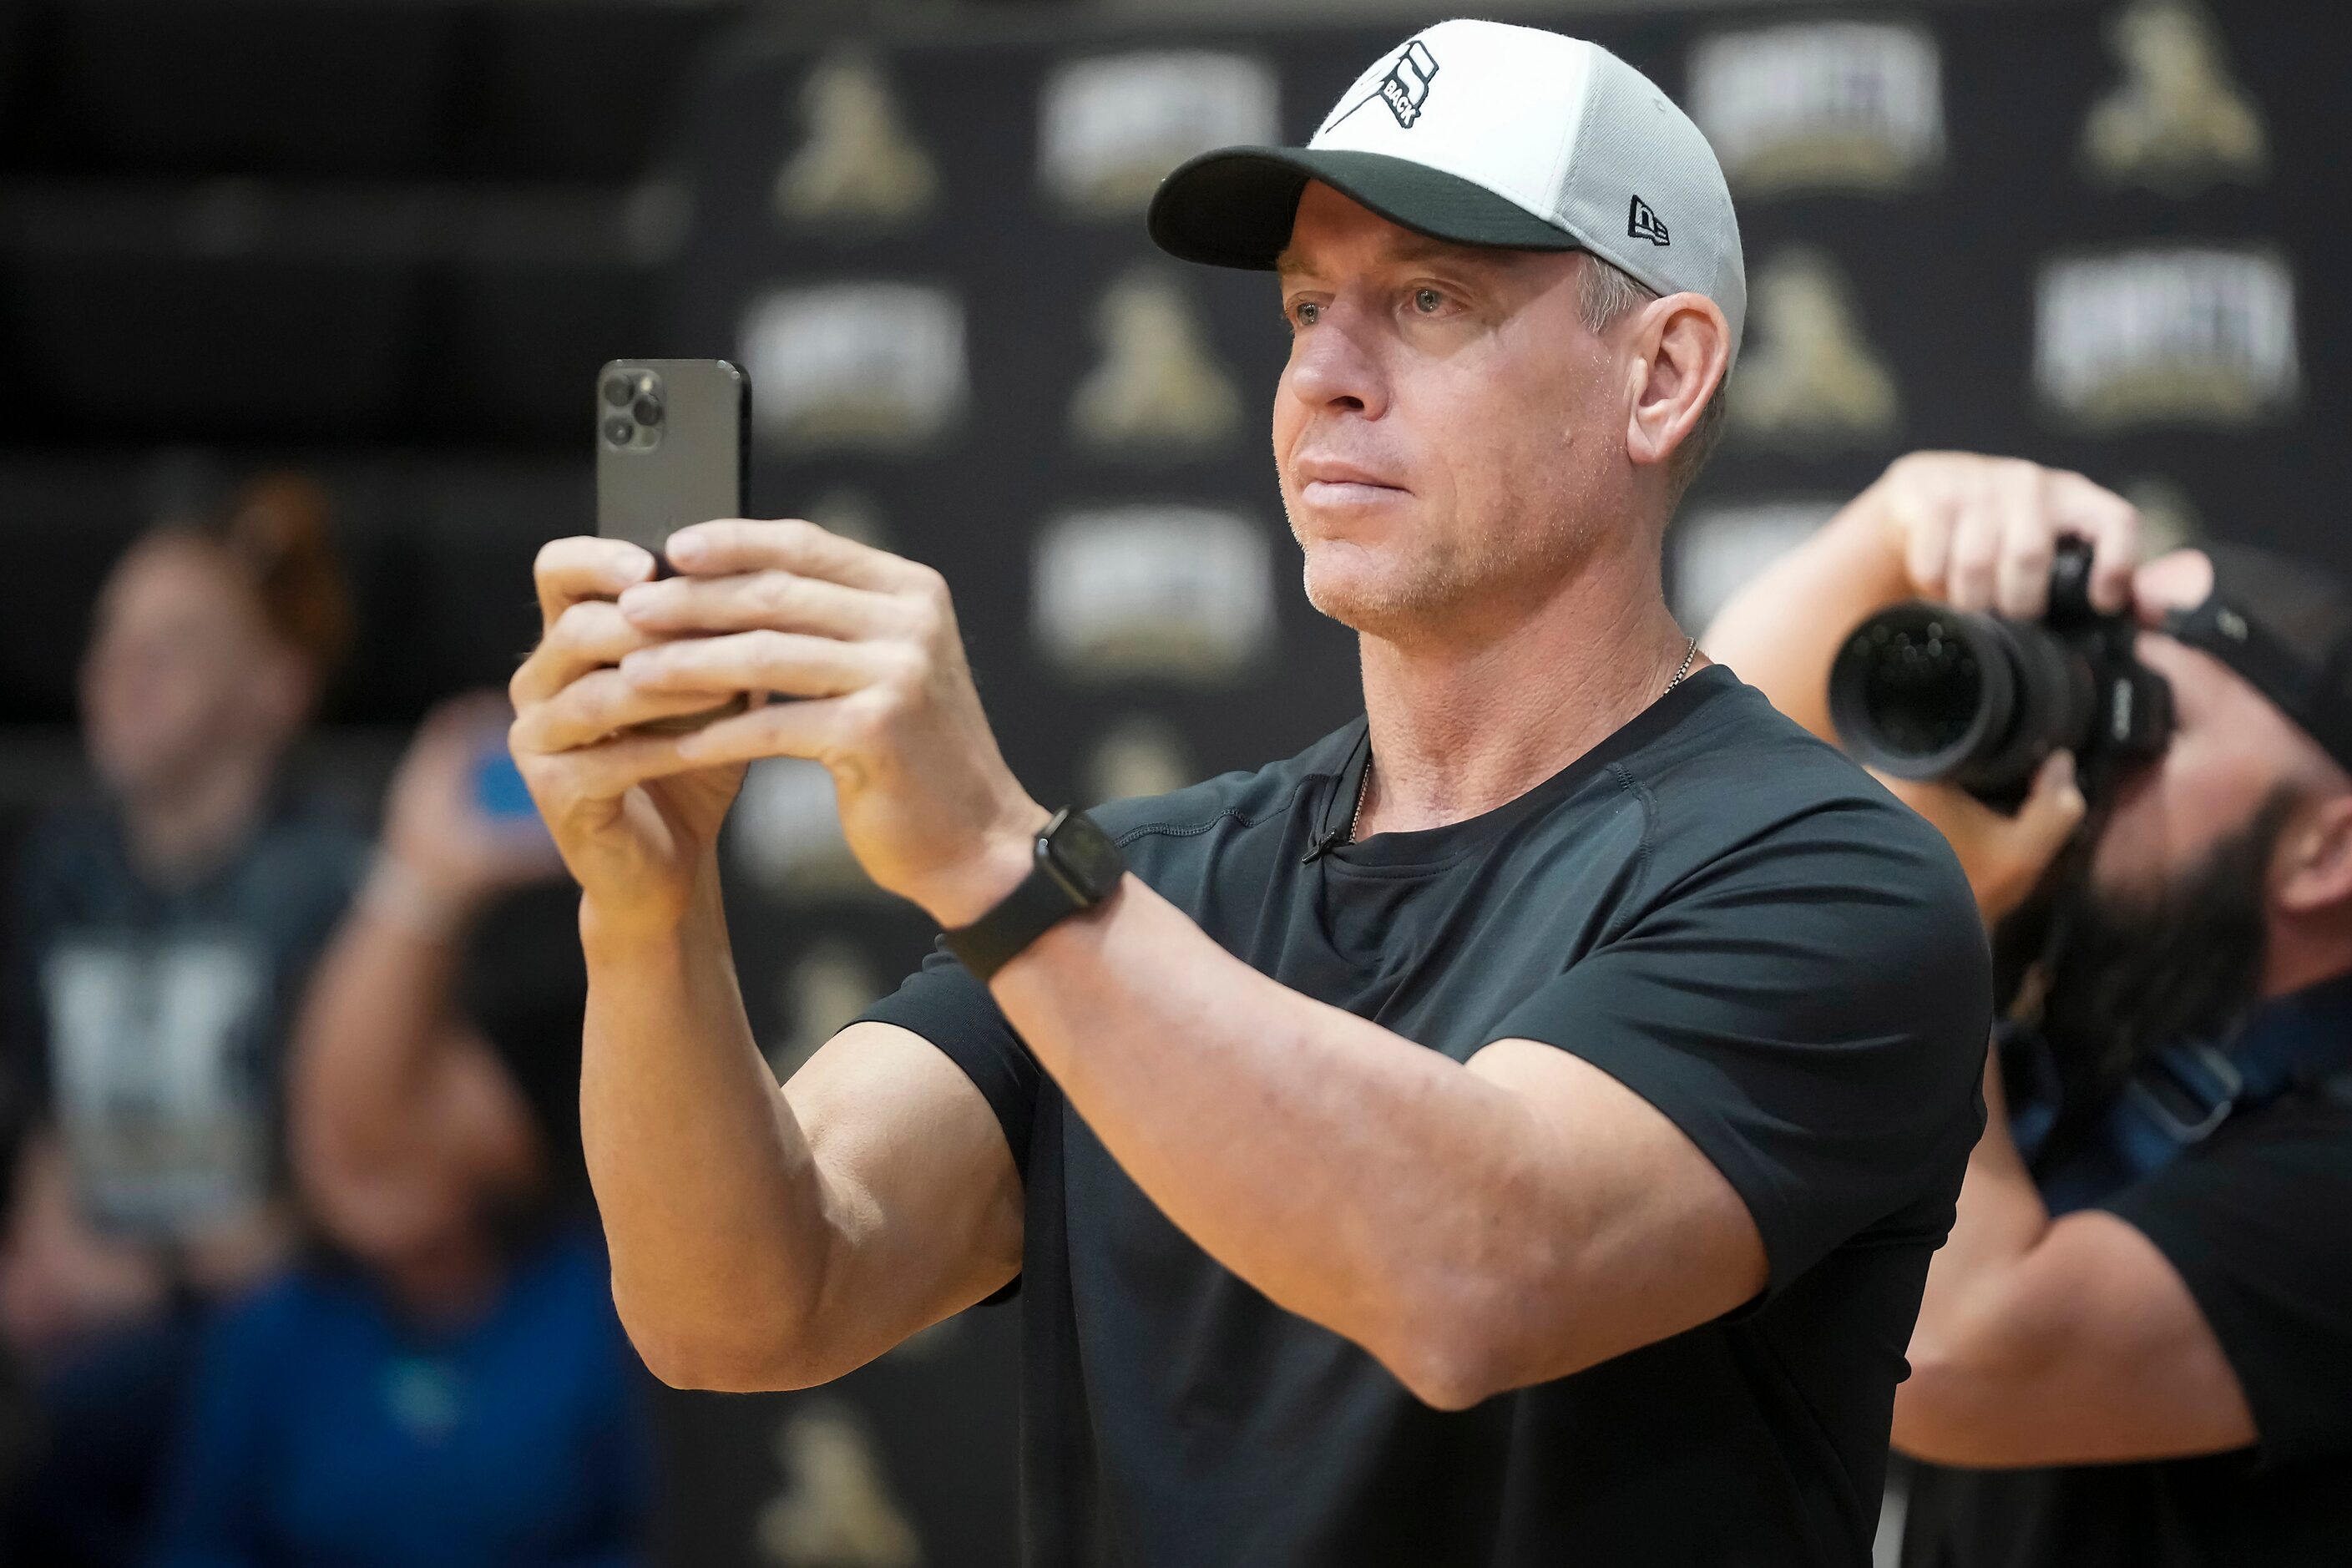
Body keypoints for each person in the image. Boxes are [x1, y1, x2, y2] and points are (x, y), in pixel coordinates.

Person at [509, 21, 1990, 1566]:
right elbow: (750, 1300)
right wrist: (645, 905)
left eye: (1427, 299)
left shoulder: (1823, 874)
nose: (1323, 380)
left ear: (1660, 374)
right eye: (1304, 308)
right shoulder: (1146, 883)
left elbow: (1475, 1269)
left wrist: (998, 858)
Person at [1702, 451, 2352, 1565]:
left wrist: (1932, 920)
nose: (2082, 759)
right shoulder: (2098, 988)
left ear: (2325, 848)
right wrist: (1893, 520)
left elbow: (1953, 1357)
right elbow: (1697, 799)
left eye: (2147, 723)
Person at [150, 695, 650, 1566]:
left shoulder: (606, 1312)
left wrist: (425, 884)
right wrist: (418, 880)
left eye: (434, 1076)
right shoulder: (275, 1329)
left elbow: (374, 1160)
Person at [0, 474, 367, 1565]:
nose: (122, 669)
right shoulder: (65, 862)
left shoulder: (327, 882)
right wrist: (44, 1256)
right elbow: (47, 1109)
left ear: (275, 687)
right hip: (97, 1303)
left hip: (267, 1315)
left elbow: (339, 1187)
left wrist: (152, 1279)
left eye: (175, 642)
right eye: (110, 636)